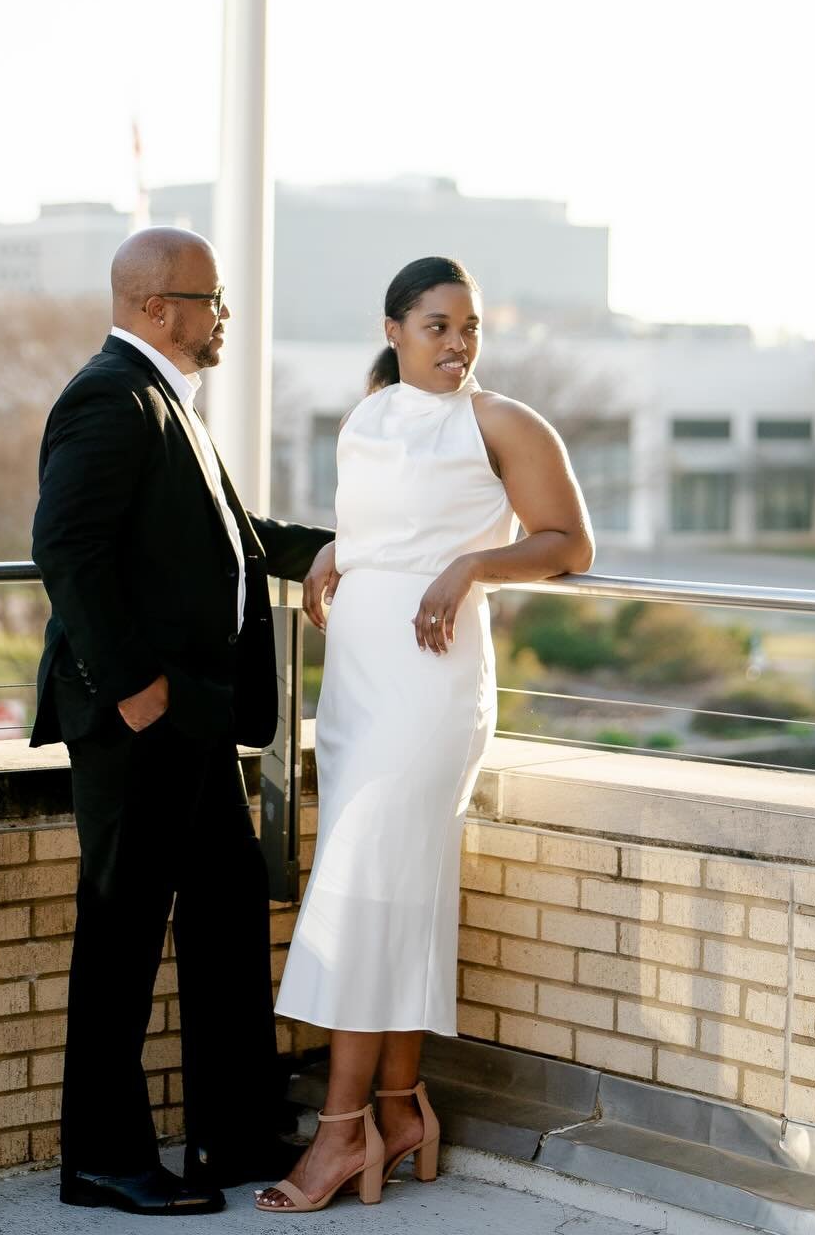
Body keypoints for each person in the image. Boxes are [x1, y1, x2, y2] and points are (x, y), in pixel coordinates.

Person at [257, 256, 594, 1214]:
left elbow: (569, 542)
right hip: (357, 685)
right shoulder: (367, 418)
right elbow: (384, 524)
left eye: (470, 326)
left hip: (430, 685)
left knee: (363, 891)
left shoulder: (503, 422)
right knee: (392, 892)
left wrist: (472, 567)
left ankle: (339, 1133)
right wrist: (339, 548)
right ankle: (401, 1111)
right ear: (395, 330)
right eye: (439, 326)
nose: (458, 343)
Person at [29, 226, 336, 1218]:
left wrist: (332, 551)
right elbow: (65, 548)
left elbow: (234, 541)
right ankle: (102, 1161)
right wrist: (134, 687)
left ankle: (233, 1132)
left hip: (195, 718)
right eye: (212, 300)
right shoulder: (109, 398)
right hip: (142, 721)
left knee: (227, 911)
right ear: (157, 307)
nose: (224, 317)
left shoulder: (167, 400)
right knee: (121, 938)